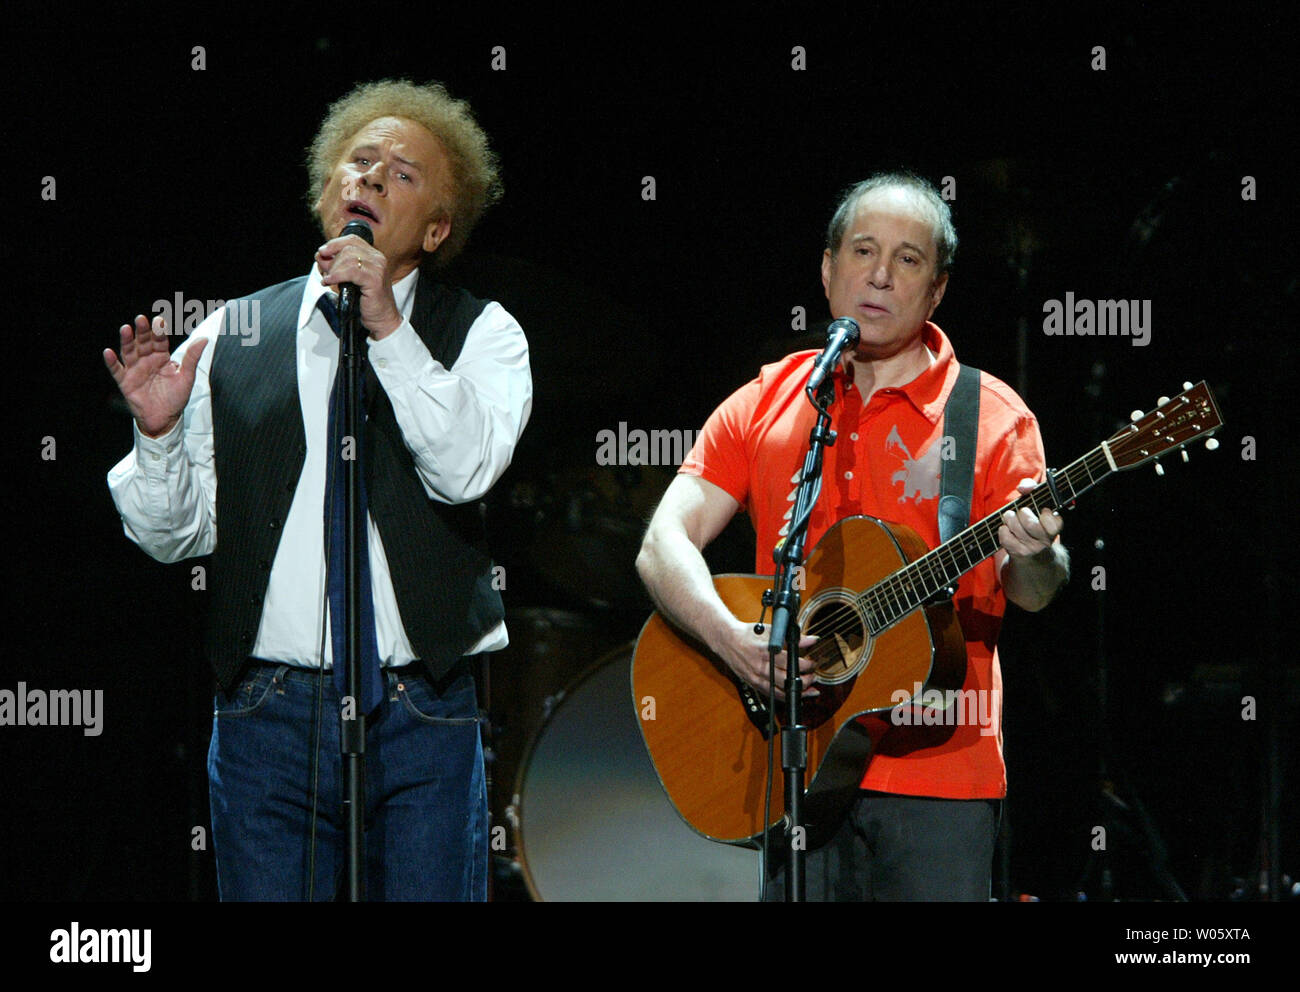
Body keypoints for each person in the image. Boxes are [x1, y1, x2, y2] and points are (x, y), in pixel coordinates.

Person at [104, 79, 532, 901]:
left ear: (438, 229)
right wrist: (156, 436)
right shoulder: (234, 331)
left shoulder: (483, 332)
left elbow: (463, 467)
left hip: (422, 710)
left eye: (402, 174)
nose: (370, 179)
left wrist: (388, 330)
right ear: (324, 190)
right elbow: (171, 537)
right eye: (358, 162)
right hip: (268, 711)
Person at [635, 172, 1068, 901]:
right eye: (863, 251)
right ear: (828, 269)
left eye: (908, 260)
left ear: (936, 292)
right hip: (794, 770)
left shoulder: (993, 416)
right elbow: (661, 541)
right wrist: (730, 639)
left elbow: (1033, 594)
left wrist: (1038, 554)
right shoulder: (771, 398)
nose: (879, 274)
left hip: (943, 779)